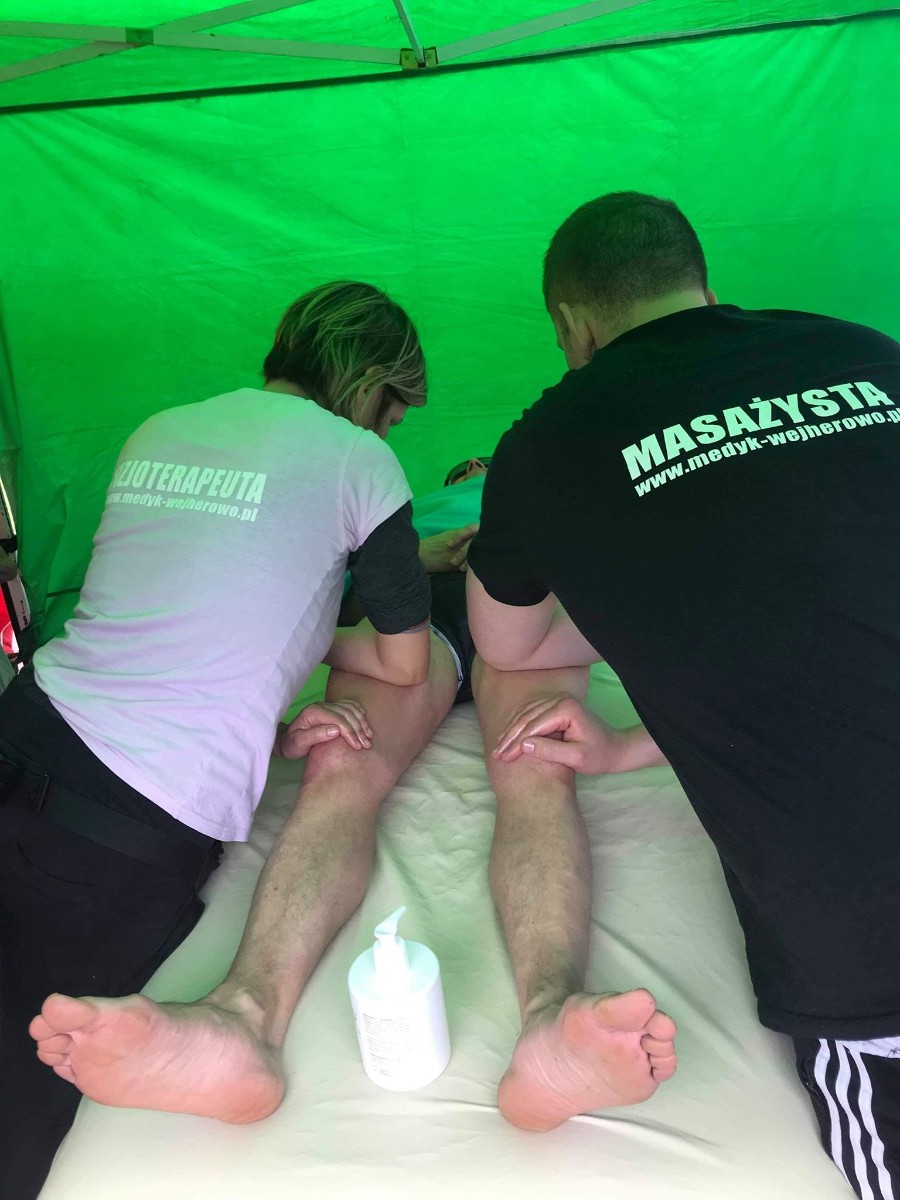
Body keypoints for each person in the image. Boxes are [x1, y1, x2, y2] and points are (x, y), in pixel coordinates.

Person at [27, 453, 676, 1149]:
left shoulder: (539, 496)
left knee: (540, 763)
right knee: (341, 761)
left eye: (488, 463)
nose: (480, 467)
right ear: (455, 475)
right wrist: (420, 556)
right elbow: (297, 592)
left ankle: (551, 1017)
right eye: (471, 466)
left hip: (530, 627)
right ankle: (242, 1018)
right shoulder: (410, 512)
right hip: (410, 629)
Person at [467, 191, 900, 1192]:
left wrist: (637, 597)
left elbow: (508, 644)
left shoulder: (549, 439)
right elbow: (835, 613)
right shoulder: (865, 351)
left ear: (571, 325)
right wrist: (631, 743)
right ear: (702, 282)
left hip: (869, 943)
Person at [0, 280, 435, 1200]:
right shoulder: (361, 461)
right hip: (124, 819)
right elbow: (403, 664)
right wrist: (310, 635)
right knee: (20, 1078)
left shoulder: (158, 428)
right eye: (394, 414)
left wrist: (263, 715)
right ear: (371, 388)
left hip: (25, 722)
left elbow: (165, 616)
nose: (390, 432)